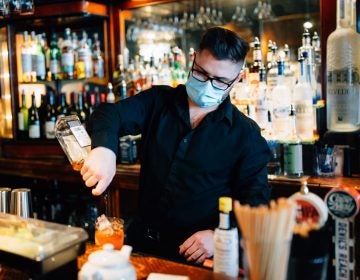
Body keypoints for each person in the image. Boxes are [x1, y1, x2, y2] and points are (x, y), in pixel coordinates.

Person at [81, 26, 271, 264]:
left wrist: (220, 235)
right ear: (193, 60)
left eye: (221, 81)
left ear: (237, 80)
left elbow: (257, 205)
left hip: (194, 258)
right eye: (202, 74)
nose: (208, 85)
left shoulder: (246, 134)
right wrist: (104, 150)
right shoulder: (158, 101)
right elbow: (108, 113)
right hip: (142, 246)